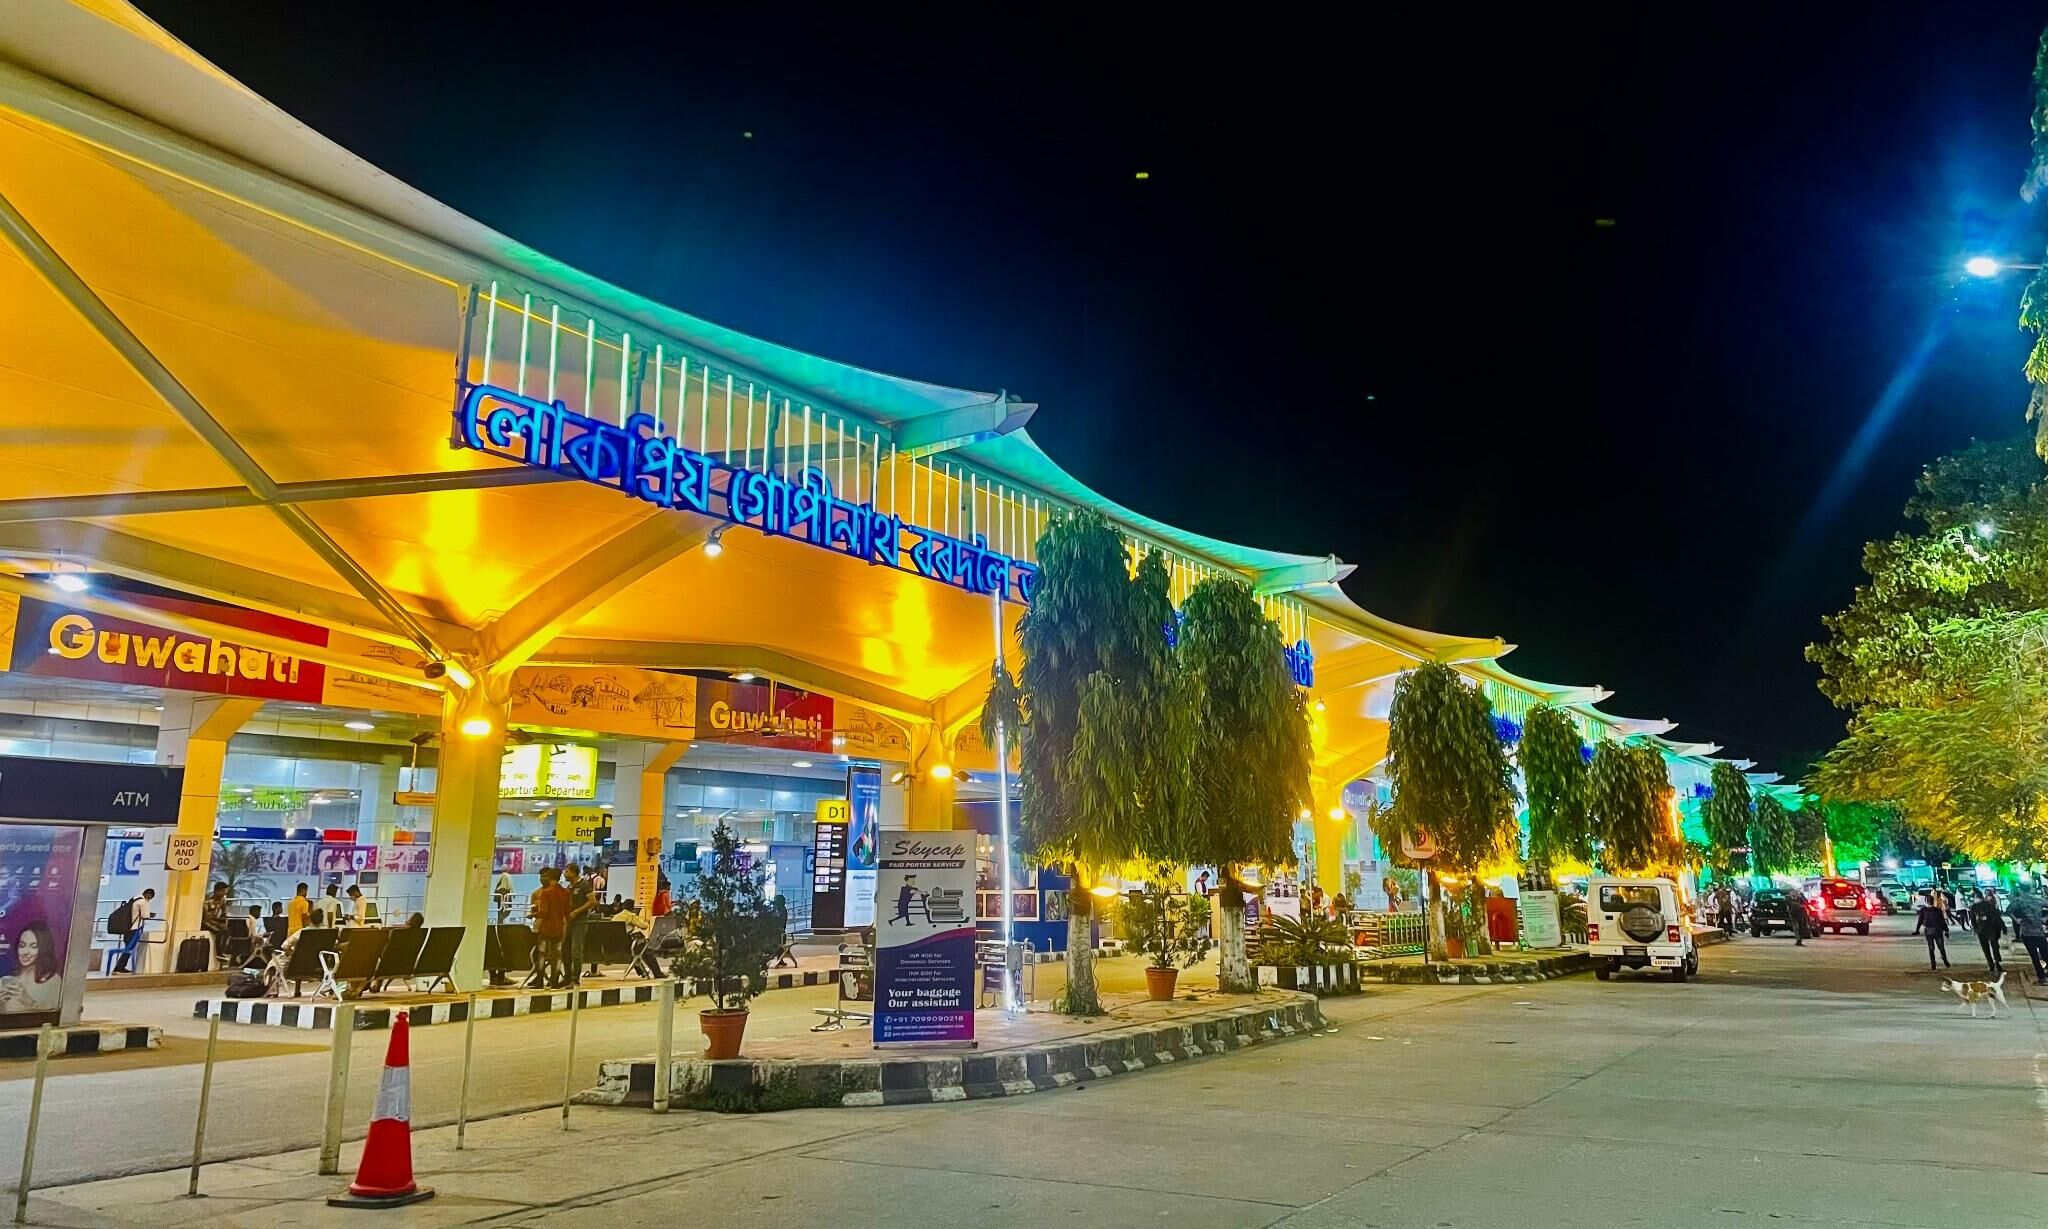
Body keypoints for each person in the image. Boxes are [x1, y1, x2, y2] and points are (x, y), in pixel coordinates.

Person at [0, 920, 62, 1014]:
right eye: (22, 946)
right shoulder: (8, 981)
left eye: (33, 947)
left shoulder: (53, 981)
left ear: (44, 949)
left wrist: (28, 1001)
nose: (25, 952)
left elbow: (54, 1018)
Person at [529, 867, 571, 989]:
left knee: (542, 953)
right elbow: (567, 912)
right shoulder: (566, 892)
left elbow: (544, 912)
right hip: (559, 927)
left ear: (551, 878)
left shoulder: (545, 892)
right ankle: (554, 981)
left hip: (546, 927)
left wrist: (533, 915)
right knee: (557, 955)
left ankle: (540, 981)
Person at [564, 863, 596, 981]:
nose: (564, 873)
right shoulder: (569, 887)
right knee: (565, 950)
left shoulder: (584, 885)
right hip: (568, 922)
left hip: (580, 922)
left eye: (566, 871)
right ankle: (567, 976)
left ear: (573, 872)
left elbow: (592, 901)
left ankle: (575, 978)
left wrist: (577, 912)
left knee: (576, 950)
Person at [2010, 889, 2048, 983]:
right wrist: (2044, 919)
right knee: (2046, 954)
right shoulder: (2038, 899)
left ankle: (2042, 978)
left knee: (2034, 957)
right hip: (2039, 932)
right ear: (2030, 888)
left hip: (2027, 933)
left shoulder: (2018, 900)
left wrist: (2016, 920)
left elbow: (2008, 910)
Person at [113, 886, 154, 973]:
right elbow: (145, 915)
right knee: (129, 948)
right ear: (149, 895)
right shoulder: (142, 902)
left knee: (127, 947)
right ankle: (120, 967)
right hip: (134, 928)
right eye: (150, 897)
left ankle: (120, 966)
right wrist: (151, 915)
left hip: (126, 928)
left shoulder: (134, 899)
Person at [1969, 888, 2006, 974]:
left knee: (1985, 948)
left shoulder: (1974, 907)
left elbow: (1972, 920)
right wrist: (2003, 927)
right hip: (1991, 929)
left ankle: (1990, 964)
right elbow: (1997, 916)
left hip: (1981, 930)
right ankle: (1997, 963)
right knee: (1994, 946)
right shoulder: (1989, 905)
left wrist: (1975, 929)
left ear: (1976, 898)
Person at [1913, 892, 1952, 971]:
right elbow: (1942, 921)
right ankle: (1945, 960)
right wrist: (1946, 930)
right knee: (1941, 947)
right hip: (1938, 930)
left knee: (1931, 948)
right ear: (1933, 901)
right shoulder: (1938, 910)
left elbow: (1920, 921)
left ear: (1926, 901)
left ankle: (1933, 965)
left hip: (1929, 931)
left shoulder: (1923, 910)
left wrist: (1917, 930)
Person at [200, 881, 230, 964]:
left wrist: (224, 916)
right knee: (219, 931)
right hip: (206, 921)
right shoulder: (208, 901)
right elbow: (206, 917)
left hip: (214, 920)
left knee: (227, 930)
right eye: (223, 891)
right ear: (217, 891)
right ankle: (219, 953)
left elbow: (224, 911)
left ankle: (223, 951)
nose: (224, 893)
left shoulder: (222, 899)